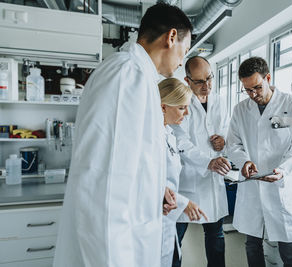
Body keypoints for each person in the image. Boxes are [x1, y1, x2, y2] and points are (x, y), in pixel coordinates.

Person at [53, 3, 192, 267]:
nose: (182, 60)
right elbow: (107, 186)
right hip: (111, 249)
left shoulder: (139, 76)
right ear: (171, 37)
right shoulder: (127, 74)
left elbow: (130, 161)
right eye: (185, 50)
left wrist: (154, 190)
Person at [226, 57, 292, 267]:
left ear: (268, 78)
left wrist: (283, 171)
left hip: (281, 188)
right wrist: (243, 161)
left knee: (290, 252)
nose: (253, 95)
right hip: (253, 188)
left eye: (257, 87)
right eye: (247, 90)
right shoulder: (241, 110)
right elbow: (233, 144)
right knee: (252, 246)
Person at [171, 56, 231, 267]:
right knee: (174, 240)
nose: (207, 86)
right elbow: (181, 141)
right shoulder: (182, 102)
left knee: (216, 237)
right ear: (188, 81)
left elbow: (225, 130)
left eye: (209, 78)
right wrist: (208, 162)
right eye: (199, 81)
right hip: (188, 182)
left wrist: (223, 140)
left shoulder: (220, 101)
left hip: (213, 182)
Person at [158, 78, 208, 267]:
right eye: (181, 108)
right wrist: (183, 202)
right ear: (163, 107)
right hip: (155, 219)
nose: (187, 113)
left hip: (166, 216)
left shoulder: (168, 134)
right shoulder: (151, 137)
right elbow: (146, 182)